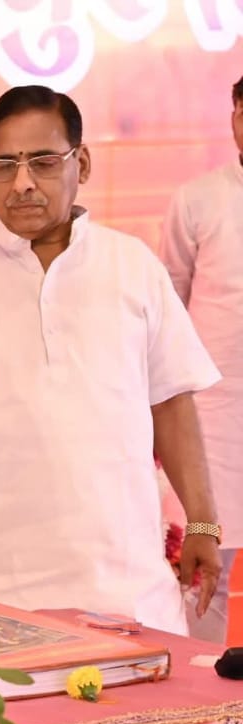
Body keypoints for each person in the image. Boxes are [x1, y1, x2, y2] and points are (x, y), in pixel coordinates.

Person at [0, 85, 222, 635]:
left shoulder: (133, 267)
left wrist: (201, 521)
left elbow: (171, 401)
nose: (21, 183)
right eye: (4, 165)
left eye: (42, 162)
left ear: (81, 164)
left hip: (120, 584)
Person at [159, 75, 243, 642]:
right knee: (204, 569)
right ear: (236, 115)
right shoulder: (197, 199)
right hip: (216, 415)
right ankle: (196, 684)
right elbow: (170, 303)